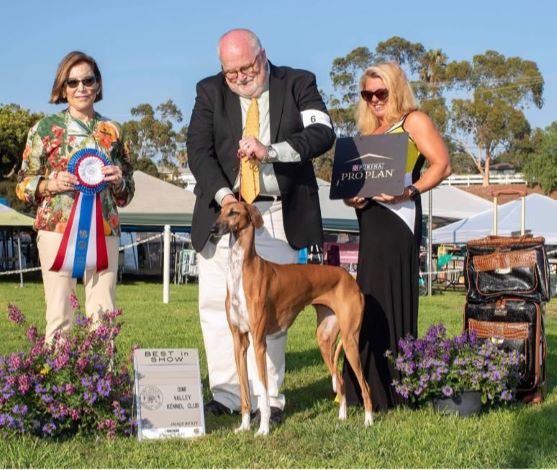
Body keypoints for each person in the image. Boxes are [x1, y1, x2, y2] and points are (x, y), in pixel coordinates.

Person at [187, 28, 335, 421]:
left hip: (275, 213)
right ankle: (227, 396)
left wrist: (270, 151)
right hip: (225, 211)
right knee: (216, 306)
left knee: (269, 312)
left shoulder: (298, 83)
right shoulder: (208, 91)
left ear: (263, 55)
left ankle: (268, 399)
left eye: (246, 68)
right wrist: (226, 199)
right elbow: (198, 152)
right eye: (230, 72)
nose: (239, 77)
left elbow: (322, 133)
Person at [342, 62, 451, 411]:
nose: (374, 99)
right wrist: (352, 198)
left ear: (396, 90)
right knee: (365, 299)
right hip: (369, 221)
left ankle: (396, 388)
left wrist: (409, 191)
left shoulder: (413, 121)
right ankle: (362, 388)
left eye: (381, 92)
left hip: (398, 219)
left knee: (390, 296)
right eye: (367, 94)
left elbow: (442, 164)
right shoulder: (366, 133)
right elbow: (352, 184)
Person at [16, 51, 134, 341]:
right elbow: (22, 185)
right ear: (62, 87)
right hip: (55, 231)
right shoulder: (44, 129)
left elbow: (127, 193)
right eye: (73, 82)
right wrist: (49, 183)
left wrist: (119, 181)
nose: (81, 88)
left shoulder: (115, 131)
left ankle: (102, 370)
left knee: (103, 314)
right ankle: (58, 371)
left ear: (98, 84)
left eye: (88, 81)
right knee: (59, 316)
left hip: (105, 230)